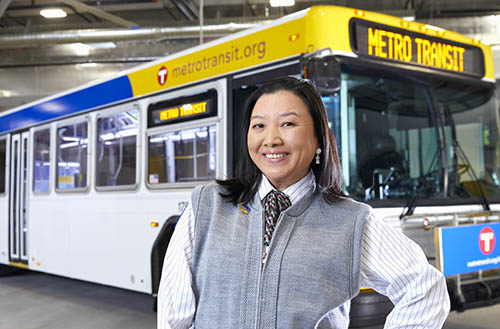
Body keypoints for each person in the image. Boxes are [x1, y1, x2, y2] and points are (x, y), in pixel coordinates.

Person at [157, 77, 450, 328]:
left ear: (318, 137)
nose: (271, 139)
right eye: (258, 126)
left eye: (288, 123)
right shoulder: (206, 207)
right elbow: (173, 317)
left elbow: (426, 290)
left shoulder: (350, 221)